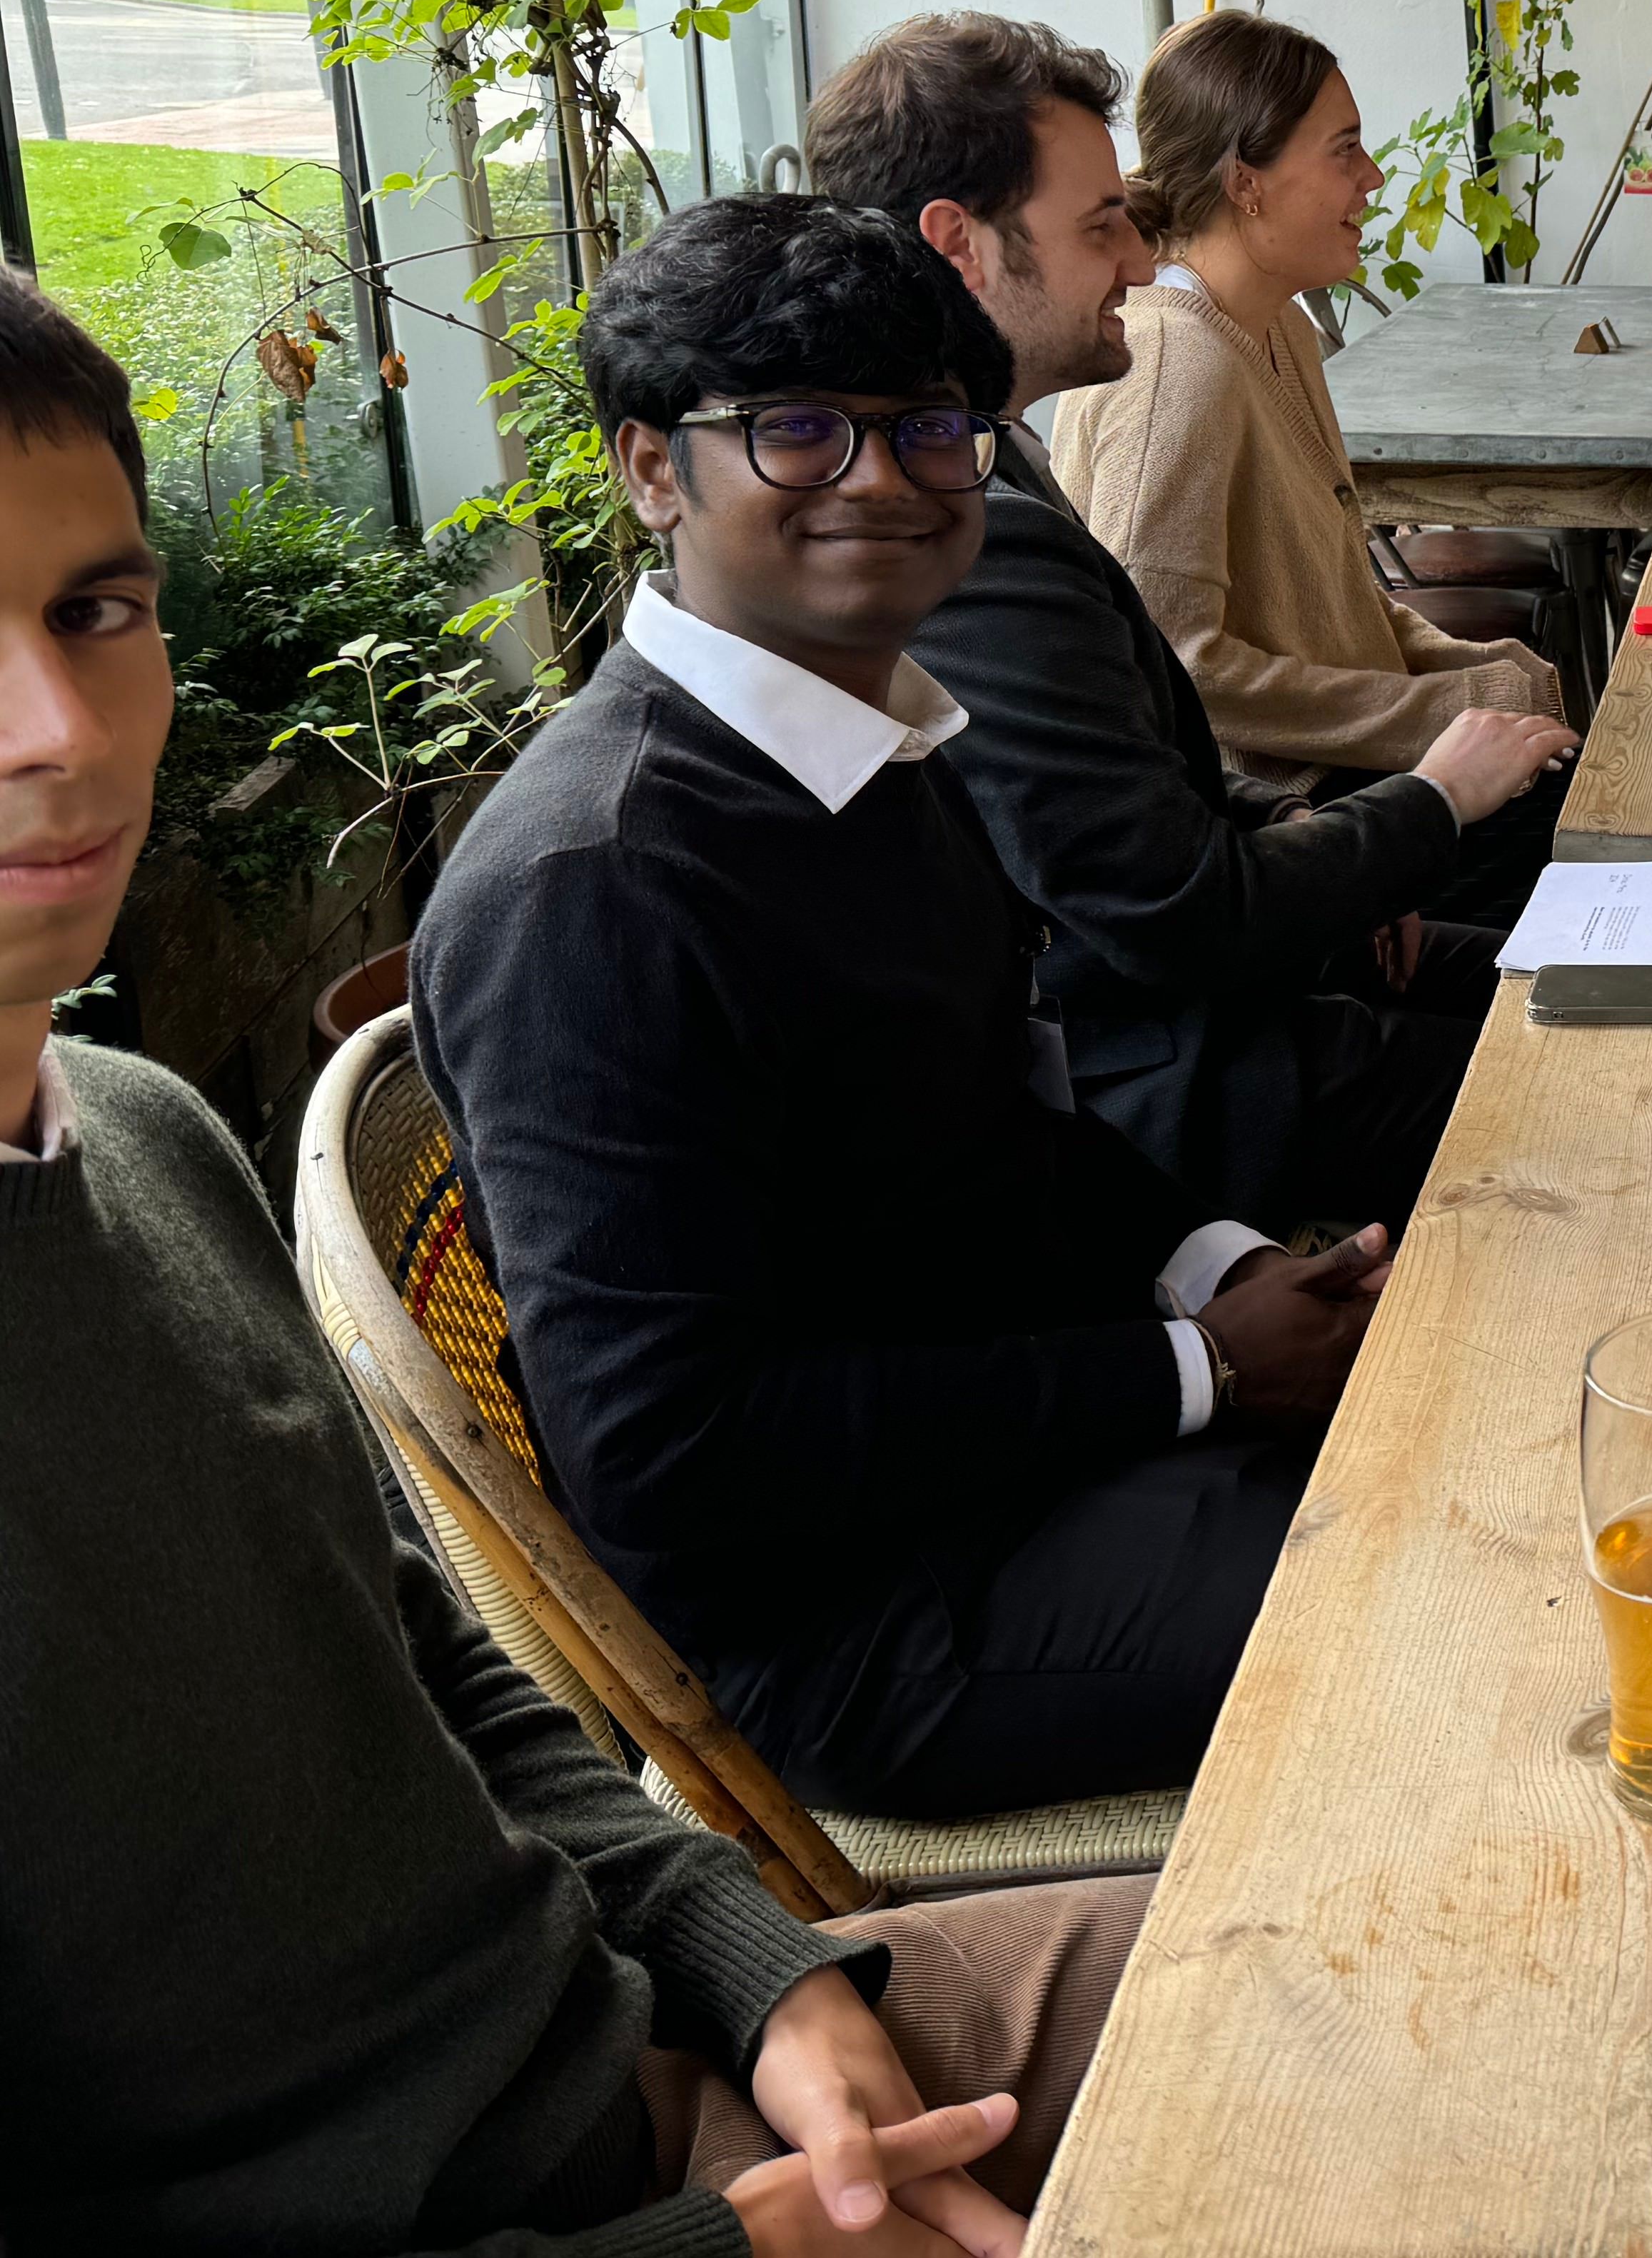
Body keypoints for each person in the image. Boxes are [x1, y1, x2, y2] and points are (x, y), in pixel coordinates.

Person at [0, 269, 1149, 2253]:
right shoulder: (604, 872)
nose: (52, 729)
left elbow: (438, 1661)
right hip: (634, 2193)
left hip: (683, 2053)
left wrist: (769, 1973)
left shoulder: (147, 1136)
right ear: (650, 471)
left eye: (95, 611)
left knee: (1482, 1950)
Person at [416, 200, 1387, 1821]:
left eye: (931, 428)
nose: (881, 477)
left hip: (1028, 1462)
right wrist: (1195, 1370)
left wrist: (1233, 1268)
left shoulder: (874, 751)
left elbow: (1005, 1141)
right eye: (798, 430)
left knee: (1478, 1431)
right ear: (653, 469)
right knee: (1458, 1609)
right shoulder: (594, 888)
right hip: (859, 1628)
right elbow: (679, 1454)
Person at [806, 11, 1569, 1225]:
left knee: (1609, 986)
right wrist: (1417, 796)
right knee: (1594, 1070)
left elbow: (1149, 769)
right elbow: (1168, 883)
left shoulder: (986, 456)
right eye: (1102, 222)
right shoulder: (962, 515)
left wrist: (1363, 841)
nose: (1137, 254)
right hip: (1162, 1060)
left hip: (1246, 924)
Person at [1050, 9, 1574, 806]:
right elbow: (1170, 663)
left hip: (1362, 784)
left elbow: (1335, 614)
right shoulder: (1174, 368)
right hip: (1290, 825)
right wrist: (1451, 710)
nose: (1372, 176)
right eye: (1345, 150)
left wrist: (1483, 675)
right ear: (1246, 183)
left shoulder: (1277, 325)